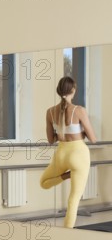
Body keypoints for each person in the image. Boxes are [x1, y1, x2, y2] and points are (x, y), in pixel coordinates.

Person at [40, 76, 97, 228]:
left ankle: (66, 176)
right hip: (78, 154)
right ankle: (67, 233)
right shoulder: (79, 110)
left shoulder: (50, 112)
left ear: (59, 91)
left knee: (43, 183)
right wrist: (82, 134)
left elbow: (51, 140)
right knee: (73, 200)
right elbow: (93, 139)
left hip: (61, 154)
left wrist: (64, 175)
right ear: (73, 90)